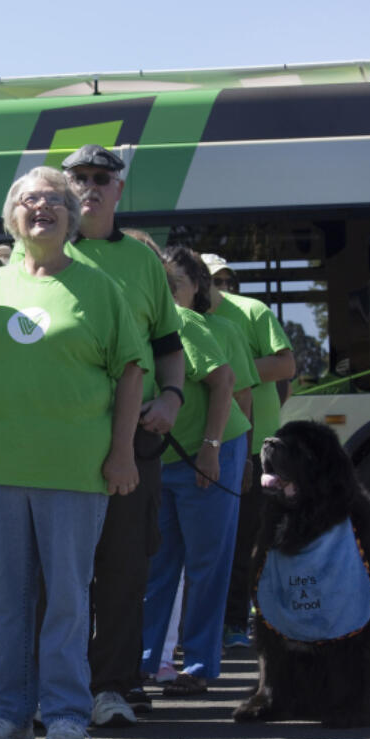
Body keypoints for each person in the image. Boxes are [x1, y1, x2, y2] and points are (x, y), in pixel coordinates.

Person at [0, 166, 146, 739]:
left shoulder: (99, 286)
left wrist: (122, 452)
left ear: (71, 217)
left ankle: (66, 713)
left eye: (53, 201)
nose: (40, 208)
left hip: (75, 470)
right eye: (27, 200)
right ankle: (8, 712)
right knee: (6, 599)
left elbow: (131, 371)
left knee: (68, 597)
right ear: (10, 217)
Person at [61, 145, 185, 727]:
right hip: (55, 441)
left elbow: (167, 346)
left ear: (118, 188)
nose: (90, 186)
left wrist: (173, 398)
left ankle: (113, 684)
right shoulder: (39, 251)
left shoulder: (142, 262)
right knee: (56, 572)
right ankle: (60, 685)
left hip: (132, 441)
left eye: (101, 178)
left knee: (122, 568)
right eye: (79, 177)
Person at [141, 246, 256, 696]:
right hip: (165, 462)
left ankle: (201, 665)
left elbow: (225, 382)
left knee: (206, 565)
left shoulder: (183, 322)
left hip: (209, 453)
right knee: (158, 564)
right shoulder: (138, 323)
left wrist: (212, 451)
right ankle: (150, 661)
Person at [201, 254, 296, 649]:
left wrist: (226, 373)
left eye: (226, 279)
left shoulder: (252, 310)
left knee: (245, 541)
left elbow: (286, 366)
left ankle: (236, 625)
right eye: (214, 279)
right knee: (209, 544)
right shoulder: (179, 315)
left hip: (252, 447)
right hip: (198, 444)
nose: (222, 287)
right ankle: (206, 627)